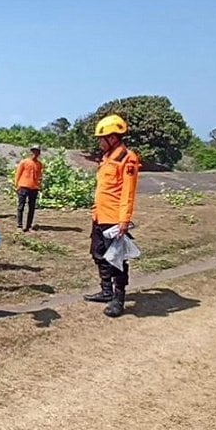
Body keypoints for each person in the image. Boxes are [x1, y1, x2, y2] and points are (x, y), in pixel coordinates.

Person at [82, 114, 140, 318]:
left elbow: (128, 193)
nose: (99, 142)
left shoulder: (127, 158)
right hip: (99, 216)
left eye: (102, 138)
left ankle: (119, 299)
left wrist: (124, 220)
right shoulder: (107, 158)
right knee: (98, 254)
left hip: (114, 218)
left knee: (116, 259)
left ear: (113, 138)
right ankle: (106, 291)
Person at [14, 144, 44, 232]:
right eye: (34, 151)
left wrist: (39, 185)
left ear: (39, 153)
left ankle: (29, 225)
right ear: (31, 152)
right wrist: (17, 186)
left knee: (31, 207)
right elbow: (18, 174)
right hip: (23, 186)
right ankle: (19, 225)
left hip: (34, 188)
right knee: (21, 206)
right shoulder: (24, 162)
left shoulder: (39, 164)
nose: (35, 153)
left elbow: (39, 176)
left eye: (37, 151)